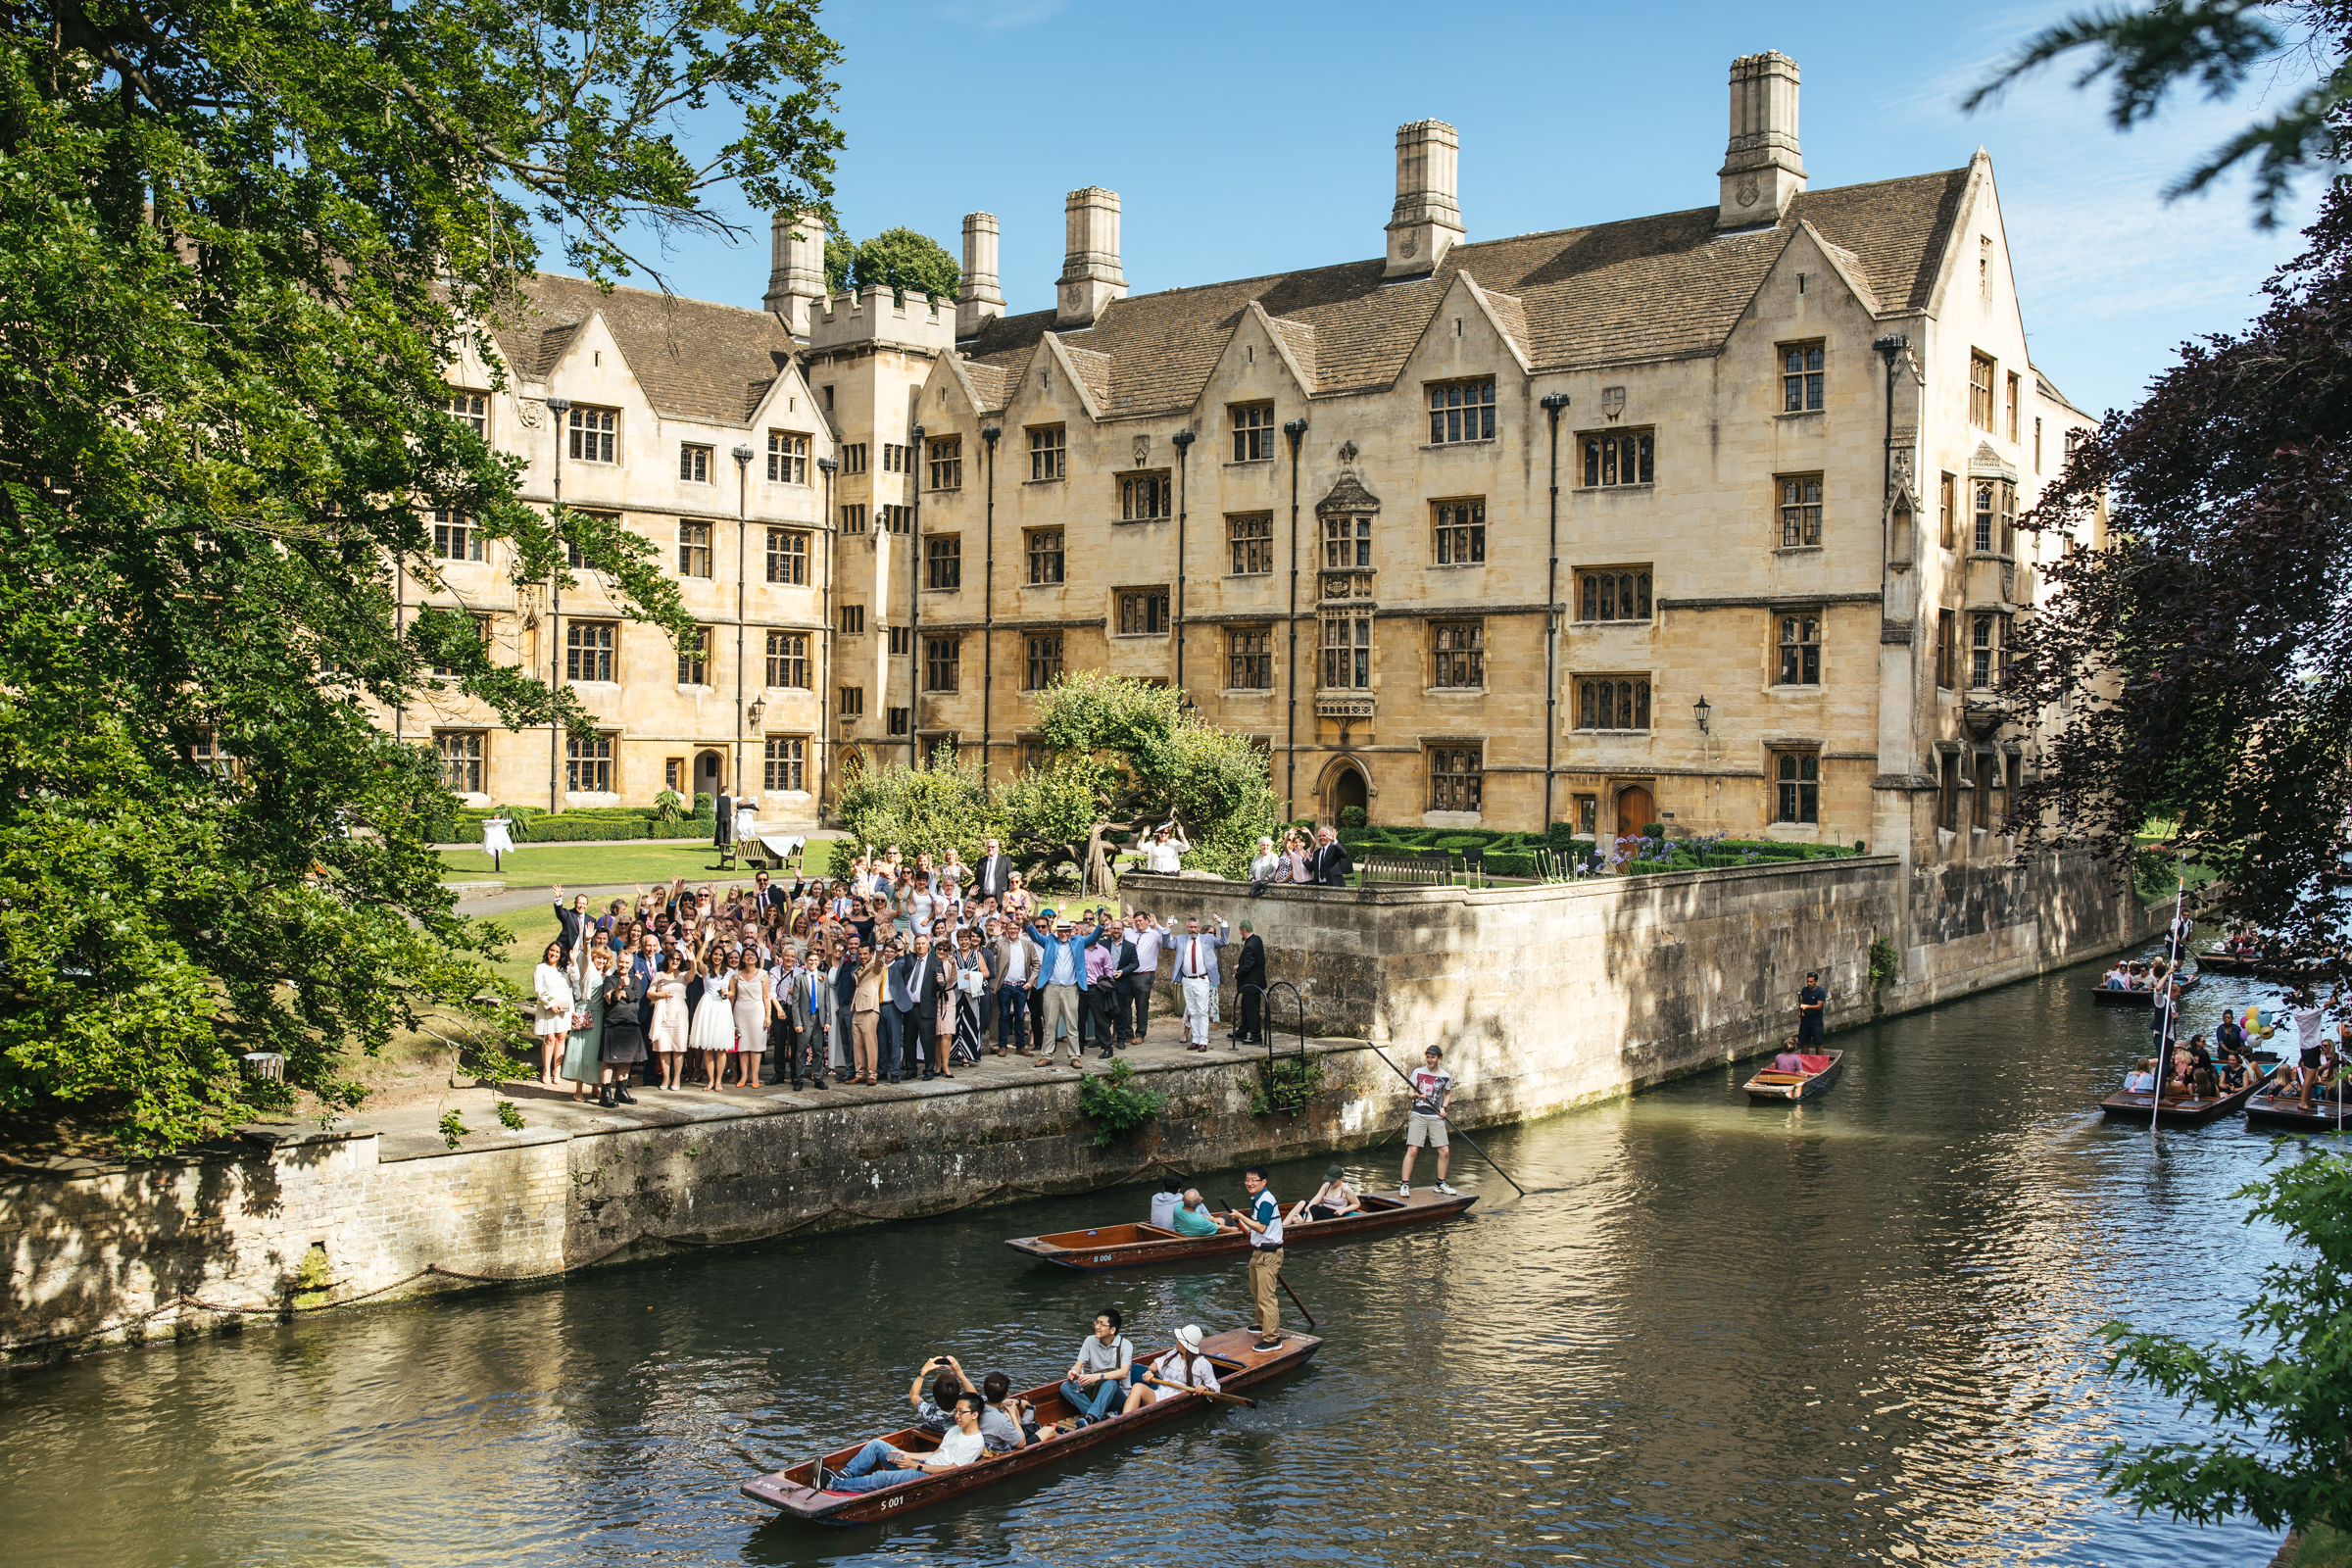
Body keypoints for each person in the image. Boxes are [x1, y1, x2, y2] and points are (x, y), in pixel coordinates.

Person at [816, 1393, 990, 1494]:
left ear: (974, 1415)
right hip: (922, 1464)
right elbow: (934, 1454)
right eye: (956, 1411)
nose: (956, 1415)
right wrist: (906, 1456)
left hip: (928, 1475)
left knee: (881, 1478)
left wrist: (915, 1466)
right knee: (878, 1446)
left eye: (961, 1412)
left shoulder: (975, 1441)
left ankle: (833, 1484)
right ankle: (845, 1474)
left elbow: (952, 1469)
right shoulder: (955, 1429)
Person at [1029, 911, 1107, 1069]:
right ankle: (1046, 1055)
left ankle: (1074, 1056)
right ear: (1057, 931)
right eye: (1061, 930)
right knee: (1050, 1024)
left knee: (1072, 1024)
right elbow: (1035, 936)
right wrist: (1027, 924)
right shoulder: (1050, 940)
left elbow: (1093, 938)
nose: (1064, 933)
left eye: (1066, 930)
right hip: (1051, 987)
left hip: (1071, 988)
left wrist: (1100, 924)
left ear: (1071, 931)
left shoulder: (1078, 940)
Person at [1229, 1165, 1287, 1351]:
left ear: (1264, 1182)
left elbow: (1261, 1227)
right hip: (1259, 1252)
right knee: (1256, 1293)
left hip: (1269, 1254)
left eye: (1254, 1180)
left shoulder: (1266, 1201)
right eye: (1247, 1180)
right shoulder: (1258, 1198)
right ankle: (1263, 1325)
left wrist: (1240, 1217)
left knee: (1266, 1297)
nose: (1249, 1183)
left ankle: (1272, 1339)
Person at [1059, 1307, 1135, 1426]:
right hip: (1096, 1391)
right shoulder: (1090, 1340)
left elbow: (1123, 1372)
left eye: (1102, 1324)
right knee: (1066, 1386)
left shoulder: (1125, 1345)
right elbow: (1079, 1365)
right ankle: (1098, 1415)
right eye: (1096, 1323)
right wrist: (1073, 1371)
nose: (1097, 1327)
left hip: (1118, 1395)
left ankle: (1091, 1417)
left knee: (1110, 1383)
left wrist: (1098, 1376)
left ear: (1112, 1330)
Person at [1122, 1324, 1222, 1413]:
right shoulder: (1174, 1354)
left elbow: (1215, 1386)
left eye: (1179, 1338)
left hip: (1177, 1401)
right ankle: (1123, 1420)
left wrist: (1205, 1388)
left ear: (1184, 1344)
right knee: (1138, 1387)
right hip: (1160, 1395)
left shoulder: (1203, 1364)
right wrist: (1149, 1371)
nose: (1176, 1340)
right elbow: (1157, 1363)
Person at [1399, 1044, 1457, 1197]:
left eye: (1433, 1057)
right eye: (1428, 1057)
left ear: (1439, 1058)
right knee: (1413, 1150)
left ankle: (1440, 1184)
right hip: (1418, 1114)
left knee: (1444, 1151)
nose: (1430, 1060)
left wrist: (1444, 1108)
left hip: (1435, 1116)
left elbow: (1448, 1094)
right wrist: (1417, 1096)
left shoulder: (1445, 1076)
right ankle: (1404, 1185)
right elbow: (1409, 1093)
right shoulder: (1418, 1072)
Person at [561, 944, 610, 1101]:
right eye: (599, 957)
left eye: (604, 958)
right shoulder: (589, 971)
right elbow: (586, 959)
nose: (601, 961)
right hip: (585, 1011)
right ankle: (579, 1090)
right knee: (580, 1049)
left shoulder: (606, 975)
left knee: (595, 1051)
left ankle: (595, 1087)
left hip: (600, 1014)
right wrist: (587, 941)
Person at [1171, 915, 1228, 1051]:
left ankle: (1203, 1041)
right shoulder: (1181, 939)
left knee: (1202, 1011)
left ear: (1198, 928)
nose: (1193, 930)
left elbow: (1225, 941)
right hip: (1187, 979)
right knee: (1192, 1011)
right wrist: (1168, 928)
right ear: (1187, 928)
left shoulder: (1208, 938)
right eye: (1190, 927)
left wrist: (1223, 923)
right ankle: (1195, 1039)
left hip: (1201, 979)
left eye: (1195, 927)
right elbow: (1167, 944)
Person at [597, 960, 647, 1107]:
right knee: (609, 1060)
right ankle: (605, 1095)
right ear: (617, 963)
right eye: (621, 962)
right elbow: (611, 1000)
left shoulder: (635, 980)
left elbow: (636, 995)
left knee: (627, 1059)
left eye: (627, 963)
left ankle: (621, 1091)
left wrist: (621, 993)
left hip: (631, 1022)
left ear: (631, 965)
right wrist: (619, 987)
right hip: (613, 1022)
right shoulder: (609, 980)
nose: (623, 965)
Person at [726, 944, 772, 1090]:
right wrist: (728, 1013)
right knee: (743, 1045)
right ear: (743, 959)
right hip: (740, 1010)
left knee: (756, 1045)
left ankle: (755, 1075)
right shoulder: (736, 975)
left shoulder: (763, 974)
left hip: (757, 1010)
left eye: (752, 954)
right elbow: (733, 995)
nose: (750, 957)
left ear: (757, 958)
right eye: (747, 955)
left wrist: (768, 1015)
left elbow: (766, 996)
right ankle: (744, 1075)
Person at [531, 941, 575, 1089]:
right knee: (549, 1038)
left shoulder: (565, 969)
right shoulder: (541, 968)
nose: (554, 954)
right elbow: (539, 988)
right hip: (548, 1008)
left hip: (564, 1008)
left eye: (557, 952)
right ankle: (546, 1070)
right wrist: (550, 1004)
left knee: (561, 1037)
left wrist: (574, 960)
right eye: (552, 950)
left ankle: (557, 1071)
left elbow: (576, 979)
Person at [1288, 1163, 1361, 1225]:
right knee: (1302, 1203)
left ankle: (1305, 1227)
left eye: (1333, 1181)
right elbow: (1317, 1198)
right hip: (1324, 1210)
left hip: (1334, 1214)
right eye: (1329, 1181)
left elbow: (1356, 1204)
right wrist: (1309, 1206)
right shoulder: (1326, 1185)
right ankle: (1283, 1227)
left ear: (1340, 1179)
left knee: (1314, 1208)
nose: (1330, 1183)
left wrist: (1343, 1210)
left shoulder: (1346, 1189)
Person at [1231, 919, 1266, 1045]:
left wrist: (1238, 975)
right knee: (1246, 1007)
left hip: (1251, 983)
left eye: (1240, 930)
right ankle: (1243, 1031)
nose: (1240, 933)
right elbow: (1252, 961)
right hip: (1254, 982)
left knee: (1252, 1010)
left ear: (1243, 930)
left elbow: (1248, 966)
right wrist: (1240, 966)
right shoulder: (1257, 939)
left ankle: (1256, 1036)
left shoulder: (1250, 945)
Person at [1795, 971, 1826, 1046]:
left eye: (1811, 982)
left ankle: (1819, 1057)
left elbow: (1819, 1006)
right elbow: (1802, 1002)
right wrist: (1801, 1012)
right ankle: (1804, 1057)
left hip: (1816, 1020)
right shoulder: (1805, 990)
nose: (1809, 983)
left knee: (1818, 1043)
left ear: (1815, 981)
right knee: (1804, 1042)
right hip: (1805, 1020)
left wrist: (1807, 1006)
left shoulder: (1820, 992)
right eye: (1808, 981)